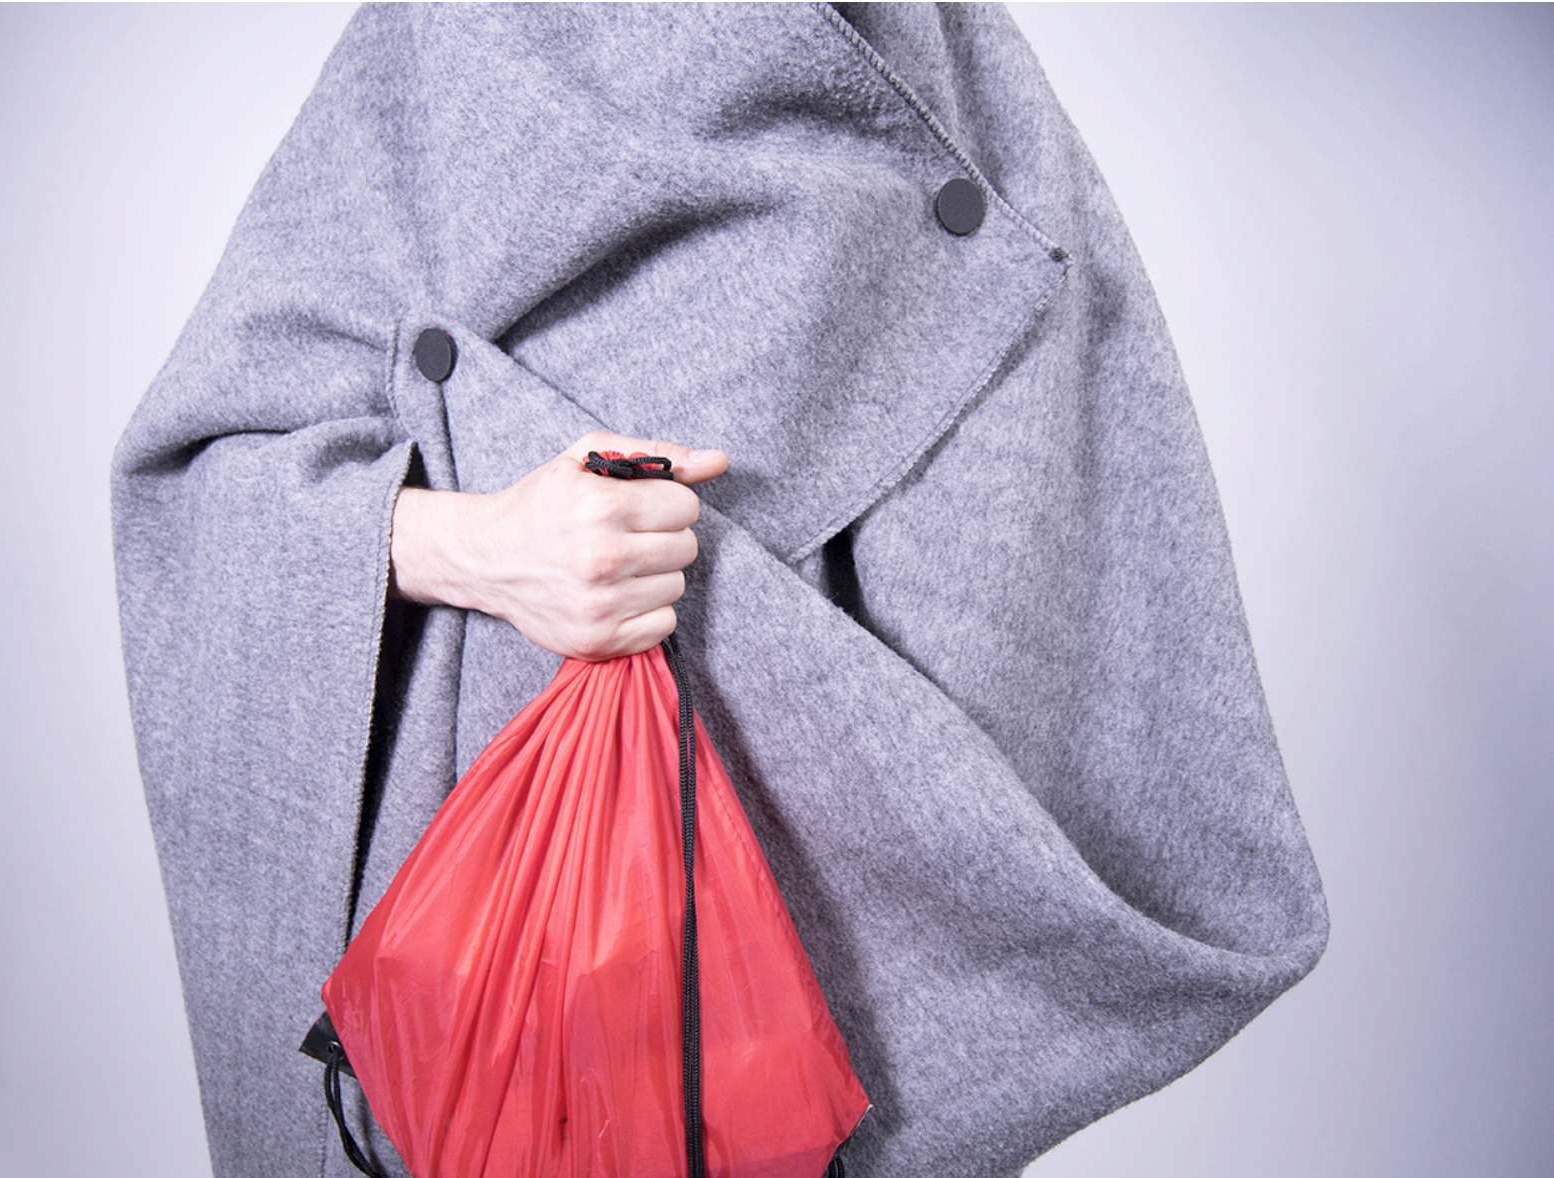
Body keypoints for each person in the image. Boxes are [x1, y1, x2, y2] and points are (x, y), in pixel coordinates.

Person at [112, 6, 1328, 1176]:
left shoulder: (944, 65)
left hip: (805, 948)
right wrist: (483, 543)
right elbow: (200, 471)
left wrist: (802, 673)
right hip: (481, 934)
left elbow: (1046, 523)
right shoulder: (444, 36)